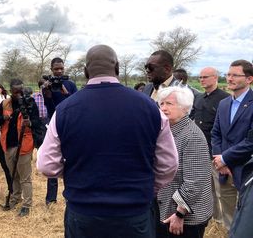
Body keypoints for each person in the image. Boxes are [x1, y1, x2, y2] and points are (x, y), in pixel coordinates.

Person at [37, 44, 178, 238]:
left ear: (86, 72)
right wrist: (146, 186)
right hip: (134, 212)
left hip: (84, 213)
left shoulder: (65, 111)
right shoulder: (150, 108)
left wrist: (77, 174)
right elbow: (168, 165)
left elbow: (46, 165)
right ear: (118, 67)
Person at [156, 86, 213, 238]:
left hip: (186, 217)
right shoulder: (167, 130)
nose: (164, 108)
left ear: (185, 108)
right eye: (161, 103)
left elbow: (194, 182)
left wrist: (179, 214)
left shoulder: (191, 135)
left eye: (169, 104)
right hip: (166, 207)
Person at [211, 59, 253, 231]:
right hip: (224, 170)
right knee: (229, 214)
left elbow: (251, 141)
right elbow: (216, 134)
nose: (229, 78)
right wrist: (220, 160)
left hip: (246, 169)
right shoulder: (224, 103)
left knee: (247, 216)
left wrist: (225, 158)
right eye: (228, 74)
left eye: (235, 75)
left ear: (249, 79)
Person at [0, 78, 43, 217]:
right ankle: (15, 199)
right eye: (16, 92)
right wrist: (4, 118)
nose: (19, 94)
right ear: (10, 91)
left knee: (25, 177)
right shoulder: (5, 104)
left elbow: (37, 122)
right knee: (13, 175)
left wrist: (30, 123)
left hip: (25, 144)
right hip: (8, 145)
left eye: (21, 91)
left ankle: (27, 204)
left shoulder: (30, 103)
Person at [190, 67, 229, 224]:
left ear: (215, 78)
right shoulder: (198, 98)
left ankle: (226, 224)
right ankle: (214, 219)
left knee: (223, 191)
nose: (202, 79)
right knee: (207, 189)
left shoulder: (224, 99)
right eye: (200, 77)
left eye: (205, 77)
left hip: (217, 152)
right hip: (200, 150)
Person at [42, 57, 78, 206]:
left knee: (71, 160)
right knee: (53, 158)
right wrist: (47, 94)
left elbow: (77, 104)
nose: (59, 71)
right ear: (51, 69)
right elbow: (49, 109)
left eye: (61, 69)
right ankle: (51, 199)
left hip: (71, 125)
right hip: (54, 124)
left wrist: (65, 91)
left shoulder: (70, 84)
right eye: (56, 69)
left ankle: (71, 194)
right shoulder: (47, 86)